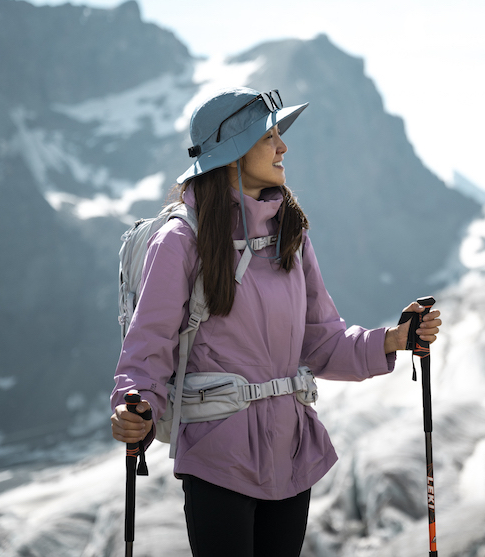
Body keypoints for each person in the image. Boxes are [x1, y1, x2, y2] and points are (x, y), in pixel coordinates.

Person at [110, 87, 441, 557]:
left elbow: (322, 339)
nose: (283, 146)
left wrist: (394, 339)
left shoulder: (291, 233)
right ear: (232, 154)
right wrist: (135, 405)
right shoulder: (181, 239)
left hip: (290, 456)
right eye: (269, 136)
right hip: (217, 458)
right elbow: (148, 347)